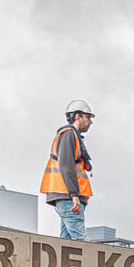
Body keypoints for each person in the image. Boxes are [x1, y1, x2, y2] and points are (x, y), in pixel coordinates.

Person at [40, 99, 95, 240]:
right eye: (88, 117)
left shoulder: (72, 136)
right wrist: (74, 195)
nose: (90, 122)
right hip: (68, 196)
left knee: (67, 244)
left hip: (67, 196)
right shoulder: (69, 134)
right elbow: (66, 166)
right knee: (82, 243)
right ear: (78, 116)